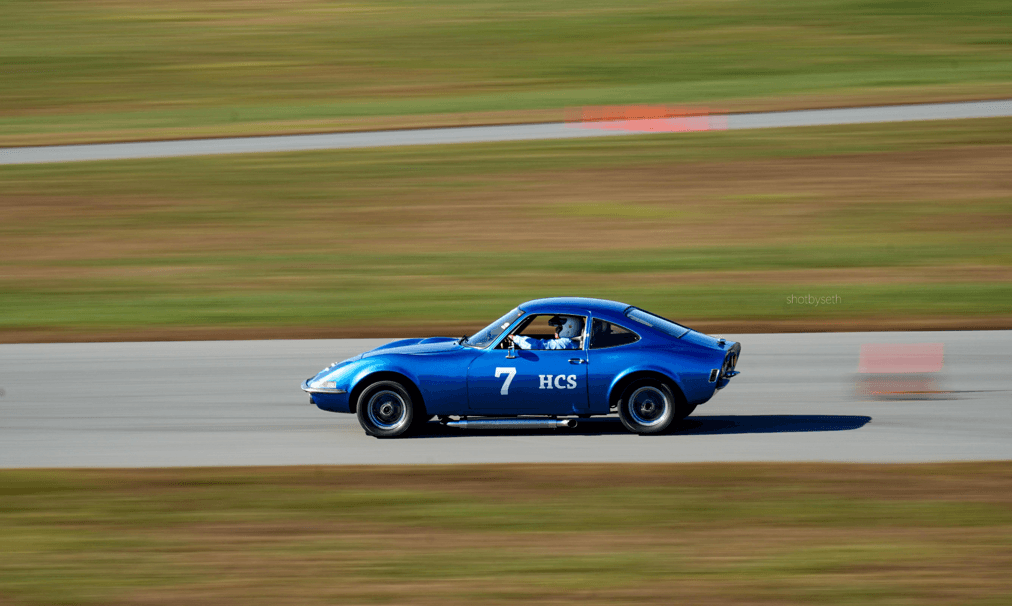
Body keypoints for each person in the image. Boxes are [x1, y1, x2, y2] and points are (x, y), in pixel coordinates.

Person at [508, 316, 582, 350]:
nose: (556, 330)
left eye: (559, 327)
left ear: (570, 327)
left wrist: (515, 338)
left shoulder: (565, 343)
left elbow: (538, 346)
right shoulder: (573, 342)